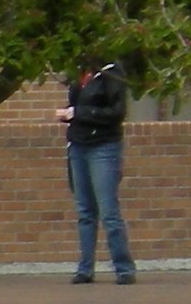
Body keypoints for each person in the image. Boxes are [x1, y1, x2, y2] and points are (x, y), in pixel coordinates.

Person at [57, 59, 135, 283]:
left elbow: (117, 112)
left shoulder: (112, 73)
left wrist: (80, 112)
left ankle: (124, 268)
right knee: (84, 210)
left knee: (109, 211)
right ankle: (85, 268)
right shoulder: (80, 72)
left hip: (103, 146)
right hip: (78, 144)